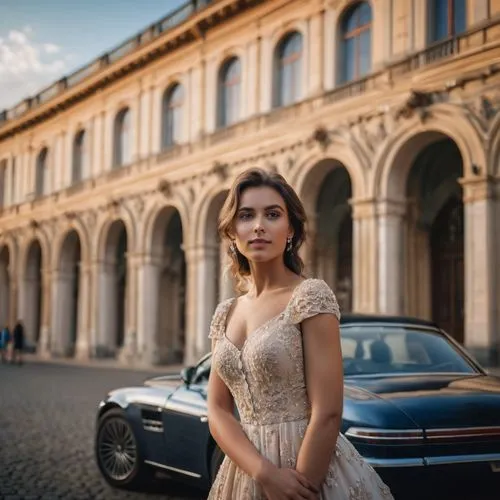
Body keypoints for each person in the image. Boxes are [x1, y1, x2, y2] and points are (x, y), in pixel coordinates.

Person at [207, 168, 394, 500]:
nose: (259, 225)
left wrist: (297, 488)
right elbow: (218, 410)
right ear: (233, 231)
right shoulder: (225, 312)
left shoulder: (310, 296)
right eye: (246, 215)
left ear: (290, 229)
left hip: (311, 465)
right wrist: (264, 473)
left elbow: (328, 411)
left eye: (273, 214)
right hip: (246, 470)